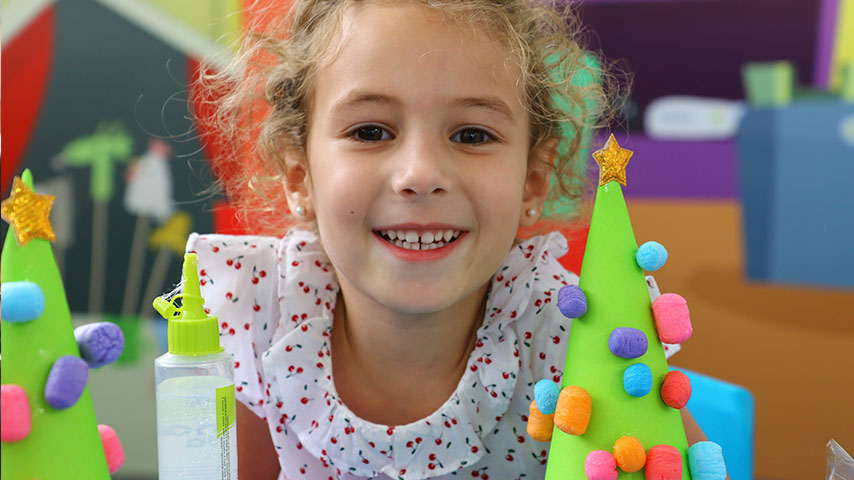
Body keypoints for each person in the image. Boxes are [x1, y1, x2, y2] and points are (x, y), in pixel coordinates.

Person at [189, 1, 708, 478]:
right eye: (371, 131)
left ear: (533, 179)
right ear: (299, 176)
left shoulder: (571, 342)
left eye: (472, 135)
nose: (420, 174)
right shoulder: (258, 317)